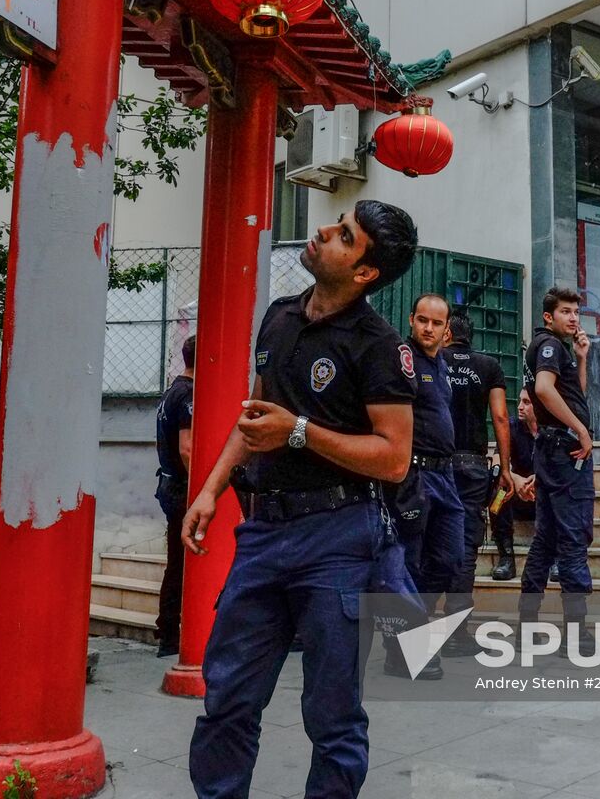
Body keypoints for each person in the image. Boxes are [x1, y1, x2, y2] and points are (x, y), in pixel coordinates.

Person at [182, 200, 418, 799]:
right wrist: (209, 490)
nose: (322, 232)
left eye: (343, 236)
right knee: (227, 697)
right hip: (264, 533)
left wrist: (298, 431)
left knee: (332, 714)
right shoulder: (280, 317)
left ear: (365, 272)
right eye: (336, 223)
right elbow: (254, 416)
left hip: (341, 535)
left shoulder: (379, 345)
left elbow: (394, 457)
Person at [379, 294, 462, 680]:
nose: (428, 328)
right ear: (412, 320)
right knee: (407, 563)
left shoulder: (440, 364)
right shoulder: (404, 361)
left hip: (445, 477)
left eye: (436, 323)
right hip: (413, 476)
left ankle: (408, 633)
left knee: (448, 559)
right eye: (422, 320)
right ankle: (403, 648)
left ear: (447, 331)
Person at [518, 287, 595, 651]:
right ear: (548, 317)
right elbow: (545, 389)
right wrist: (580, 429)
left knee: (546, 539)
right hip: (566, 451)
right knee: (573, 536)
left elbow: (570, 395)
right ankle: (577, 635)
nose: (574, 318)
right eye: (566, 312)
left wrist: (580, 359)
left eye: (576, 312)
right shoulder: (548, 345)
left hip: (553, 450)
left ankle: (526, 629)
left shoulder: (557, 348)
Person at [440, 313, 512, 655]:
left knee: (428, 544)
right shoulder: (489, 365)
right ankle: (455, 634)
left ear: (448, 333)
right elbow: (499, 416)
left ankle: (415, 633)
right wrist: (506, 468)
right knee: (466, 550)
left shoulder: (433, 360)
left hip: (434, 464)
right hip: (471, 465)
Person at [154, 333, 196, 659]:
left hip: (169, 484)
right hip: (183, 488)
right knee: (182, 564)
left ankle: (167, 632)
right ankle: (170, 635)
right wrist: (205, 486)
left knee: (176, 563)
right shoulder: (188, 395)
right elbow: (187, 448)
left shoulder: (171, 391)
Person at [490, 389, 538, 580]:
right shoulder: (511, 427)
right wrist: (515, 479)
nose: (519, 406)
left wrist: (540, 480)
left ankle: (557, 557)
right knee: (498, 487)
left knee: (561, 487)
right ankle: (506, 556)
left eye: (526, 402)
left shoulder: (552, 429)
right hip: (516, 496)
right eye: (519, 401)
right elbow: (495, 462)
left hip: (545, 497)